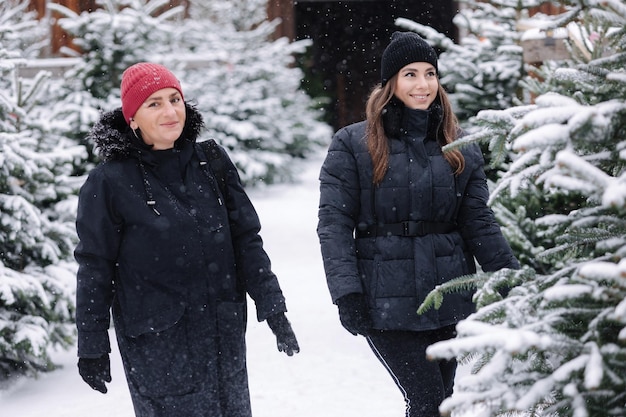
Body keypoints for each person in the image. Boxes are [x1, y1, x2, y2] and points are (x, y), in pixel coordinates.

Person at [74, 62, 299, 417]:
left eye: (174, 99)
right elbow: (95, 267)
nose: (169, 111)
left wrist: (271, 304)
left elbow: (245, 239)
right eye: (154, 104)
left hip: (222, 332)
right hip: (158, 343)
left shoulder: (211, 161)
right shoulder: (108, 182)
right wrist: (92, 345)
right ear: (132, 118)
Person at [317, 32, 519, 417]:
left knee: (441, 402)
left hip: (448, 293)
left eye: (430, 73)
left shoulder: (459, 142)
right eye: (410, 74)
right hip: (384, 299)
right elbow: (334, 223)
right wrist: (347, 293)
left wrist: (509, 279)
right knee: (427, 401)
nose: (423, 84)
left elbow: (478, 220)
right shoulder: (353, 143)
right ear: (391, 82)